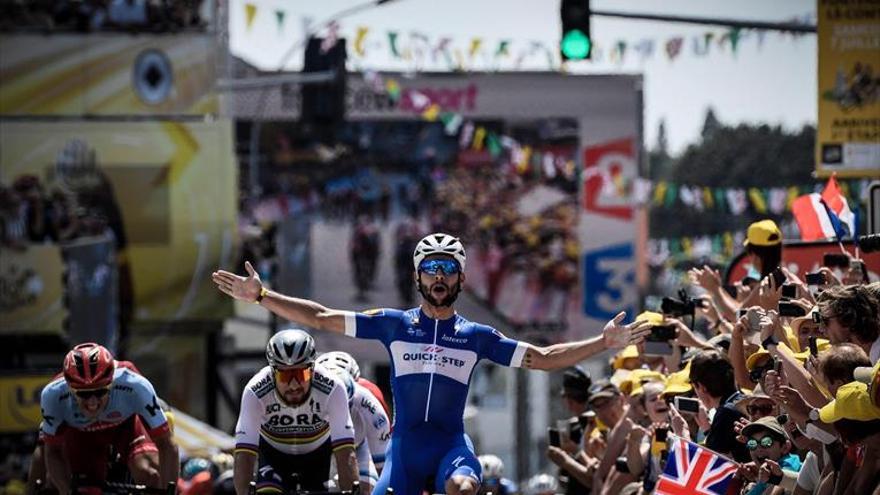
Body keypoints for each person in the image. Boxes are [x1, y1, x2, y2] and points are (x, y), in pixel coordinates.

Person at [213, 233, 651, 495]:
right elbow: (321, 316)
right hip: (403, 452)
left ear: (460, 278)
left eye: (447, 268)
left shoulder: (476, 336)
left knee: (463, 488)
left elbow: (544, 358)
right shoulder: (393, 325)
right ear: (417, 277)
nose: (438, 276)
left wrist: (602, 342)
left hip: (448, 447)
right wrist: (264, 296)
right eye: (430, 268)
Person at [39, 343, 178, 494]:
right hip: (80, 434)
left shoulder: (135, 384)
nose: (92, 402)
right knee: (71, 485)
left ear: (111, 383)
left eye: (100, 392)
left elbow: (167, 445)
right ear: (70, 388)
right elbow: (52, 452)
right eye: (83, 394)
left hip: (125, 427)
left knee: (151, 475)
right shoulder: (53, 394)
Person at [233, 330, 358, 495]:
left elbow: (345, 452)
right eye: (285, 376)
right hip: (273, 456)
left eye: (301, 374)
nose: (293, 385)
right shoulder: (255, 391)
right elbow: (244, 455)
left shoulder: (332, 388)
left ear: (312, 369)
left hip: (317, 456)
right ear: (272, 373)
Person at [316, 352, 391, 493]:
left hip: (358, 450)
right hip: (319, 453)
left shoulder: (367, 397)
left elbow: (385, 464)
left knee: (365, 490)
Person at [688, 349, 750, 462]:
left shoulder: (726, 413)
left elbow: (710, 463)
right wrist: (707, 428)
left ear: (701, 387)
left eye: (694, 387)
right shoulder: (746, 399)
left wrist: (682, 433)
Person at [737, 416, 802, 495]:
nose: (759, 448)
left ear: (785, 447)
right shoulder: (765, 474)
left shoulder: (789, 462)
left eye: (766, 442)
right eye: (752, 443)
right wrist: (755, 479)